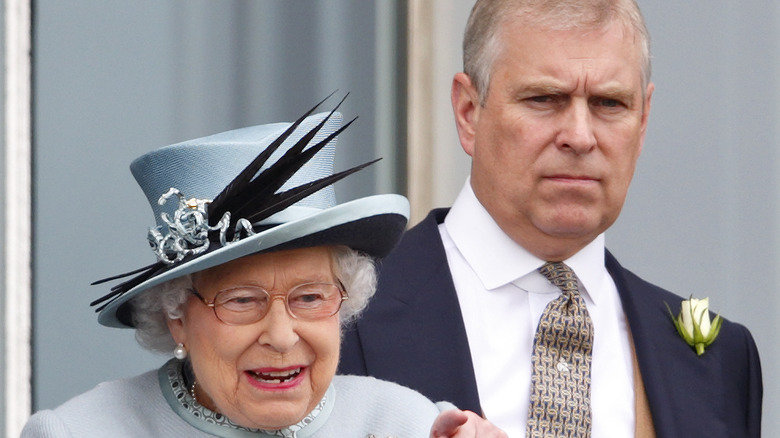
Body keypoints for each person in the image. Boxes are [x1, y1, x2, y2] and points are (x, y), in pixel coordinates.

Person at [339, 1, 763, 437]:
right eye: (543, 99)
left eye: (610, 103)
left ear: (643, 122)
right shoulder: (334, 319)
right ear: (468, 112)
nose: (579, 136)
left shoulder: (722, 362)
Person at [21, 99, 507, 438]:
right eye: (242, 300)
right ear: (176, 315)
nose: (281, 335)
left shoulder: (409, 424)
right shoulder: (78, 433)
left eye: (311, 297)